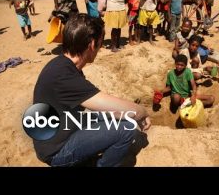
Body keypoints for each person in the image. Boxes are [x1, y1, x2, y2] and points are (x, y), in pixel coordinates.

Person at [33, 13, 151, 167]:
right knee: (126, 128)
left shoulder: (62, 65)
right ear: (92, 44)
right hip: (56, 151)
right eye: (101, 44)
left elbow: (107, 107)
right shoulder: (64, 76)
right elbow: (131, 112)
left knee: (112, 116)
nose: (100, 49)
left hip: (64, 129)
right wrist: (143, 112)